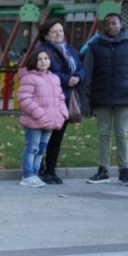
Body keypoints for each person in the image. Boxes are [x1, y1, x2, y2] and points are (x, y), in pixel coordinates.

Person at [81, 12, 128, 186]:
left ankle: (124, 172)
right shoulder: (95, 46)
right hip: (101, 96)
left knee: (122, 134)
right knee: (104, 134)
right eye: (107, 24)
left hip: (124, 97)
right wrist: (86, 99)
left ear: (121, 24)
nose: (110, 27)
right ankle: (103, 170)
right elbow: (88, 73)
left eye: (114, 23)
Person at [35, 20, 84, 185]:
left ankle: (51, 171)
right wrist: (66, 79)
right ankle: (38, 169)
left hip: (66, 99)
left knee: (57, 138)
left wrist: (78, 77)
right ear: (46, 34)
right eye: (54, 31)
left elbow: (81, 68)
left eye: (61, 31)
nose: (58, 34)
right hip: (49, 99)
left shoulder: (70, 50)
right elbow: (44, 72)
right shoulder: (43, 51)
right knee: (44, 138)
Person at [17, 46, 67, 189]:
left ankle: (35, 173)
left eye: (46, 58)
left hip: (51, 121)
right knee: (32, 147)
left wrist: (63, 113)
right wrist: (39, 114)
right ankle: (28, 175)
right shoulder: (29, 77)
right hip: (35, 120)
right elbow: (24, 98)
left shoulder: (54, 78)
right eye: (40, 59)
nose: (43, 61)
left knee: (41, 149)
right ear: (34, 61)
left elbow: (60, 98)